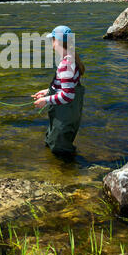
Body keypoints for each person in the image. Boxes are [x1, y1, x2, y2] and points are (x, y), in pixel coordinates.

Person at [32, 25, 85, 157]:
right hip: (70, 111)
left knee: (60, 148)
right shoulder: (71, 59)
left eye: (53, 39)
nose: (51, 43)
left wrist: (45, 100)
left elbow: (67, 95)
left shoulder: (65, 65)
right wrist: (47, 91)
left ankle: (66, 173)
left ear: (58, 42)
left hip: (66, 111)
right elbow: (66, 85)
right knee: (55, 141)